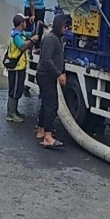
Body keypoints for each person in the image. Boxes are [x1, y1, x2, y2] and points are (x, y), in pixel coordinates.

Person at [35, 14, 70, 148]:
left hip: (48, 75)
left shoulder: (58, 39)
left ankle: (41, 130)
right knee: (52, 105)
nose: (66, 29)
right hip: (45, 76)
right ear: (58, 25)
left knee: (46, 103)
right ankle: (48, 137)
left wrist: (63, 72)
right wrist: (58, 74)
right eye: (64, 26)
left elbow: (60, 57)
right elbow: (46, 59)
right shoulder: (50, 39)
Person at [5, 13, 39, 122]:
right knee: (14, 90)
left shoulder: (21, 33)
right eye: (25, 21)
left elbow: (31, 34)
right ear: (21, 23)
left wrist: (36, 26)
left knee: (18, 90)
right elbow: (22, 46)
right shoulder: (16, 36)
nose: (26, 23)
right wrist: (32, 40)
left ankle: (14, 111)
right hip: (15, 68)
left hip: (20, 68)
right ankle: (11, 114)